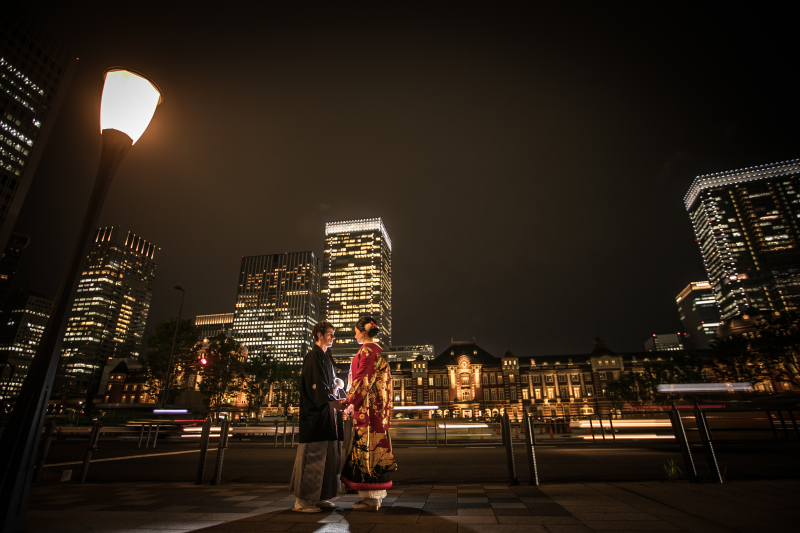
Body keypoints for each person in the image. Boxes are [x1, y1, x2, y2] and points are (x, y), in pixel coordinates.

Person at [341, 316, 397, 511]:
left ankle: (370, 498)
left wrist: (348, 401)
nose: (354, 334)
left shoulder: (367, 351)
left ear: (363, 331)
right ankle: (375, 497)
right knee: (375, 451)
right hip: (375, 412)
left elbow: (362, 379)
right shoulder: (375, 352)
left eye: (355, 330)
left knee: (367, 452)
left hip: (368, 412)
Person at [289, 321, 346, 513]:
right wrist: (336, 402)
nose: (333, 337)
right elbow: (318, 388)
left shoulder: (325, 358)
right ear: (319, 334)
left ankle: (321, 496)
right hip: (315, 417)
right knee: (312, 458)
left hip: (327, 417)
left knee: (328, 457)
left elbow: (329, 387)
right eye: (330, 333)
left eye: (333, 334)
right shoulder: (313, 356)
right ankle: (303, 501)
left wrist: (337, 397)